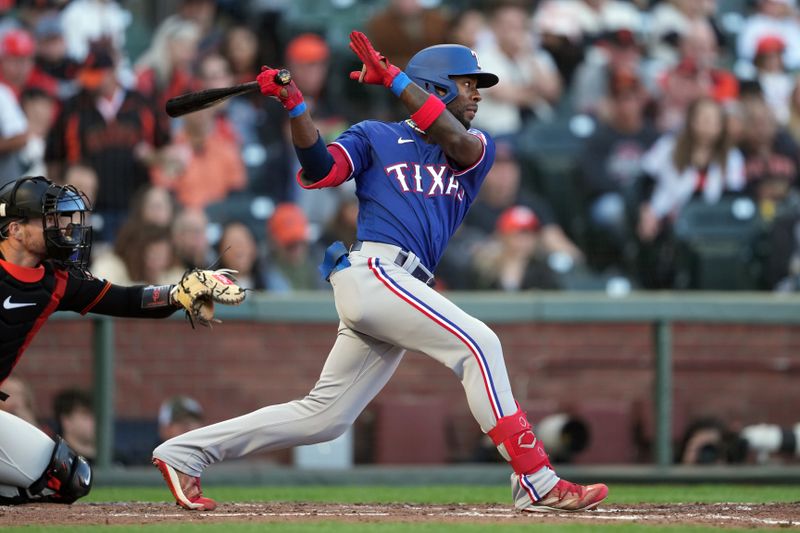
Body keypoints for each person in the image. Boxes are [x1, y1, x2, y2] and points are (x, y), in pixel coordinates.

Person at [152, 31, 608, 513]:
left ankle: (184, 452)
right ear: (437, 88)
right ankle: (536, 477)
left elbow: (452, 138)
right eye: (468, 84)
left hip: (401, 286)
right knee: (479, 344)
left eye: (479, 86)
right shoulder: (375, 134)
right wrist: (295, 105)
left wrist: (393, 77)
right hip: (373, 272)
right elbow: (319, 169)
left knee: (323, 418)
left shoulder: (475, 145)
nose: (477, 94)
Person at [0, 175, 245, 505]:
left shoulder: (57, 280)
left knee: (70, 477)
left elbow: (127, 300)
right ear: (15, 229)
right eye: (48, 218)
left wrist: (178, 293)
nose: (61, 226)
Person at [52, 388, 96, 464]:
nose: (94, 420)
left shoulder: (116, 460)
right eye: (85, 415)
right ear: (66, 421)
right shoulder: (57, 461)